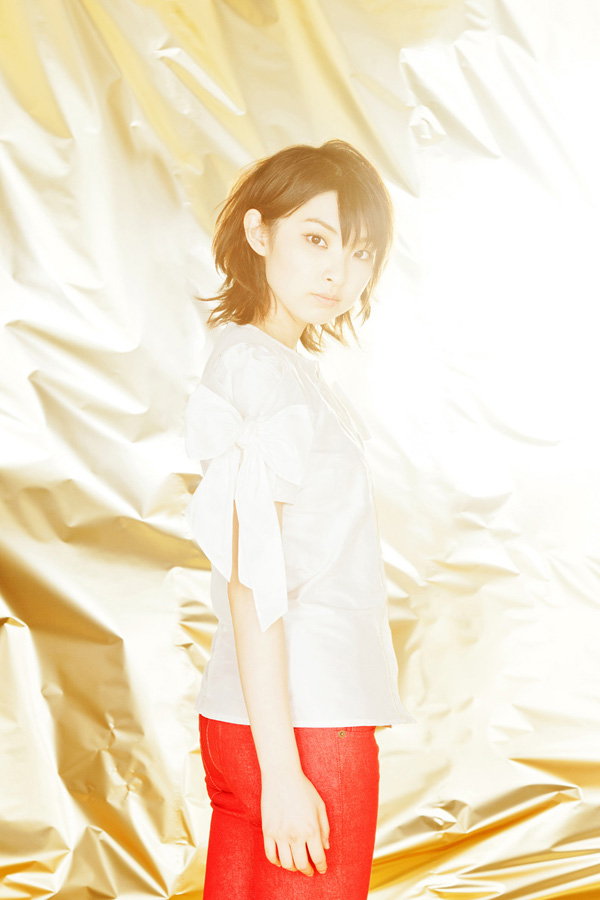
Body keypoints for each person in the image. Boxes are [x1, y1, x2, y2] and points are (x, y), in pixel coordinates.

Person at [183, 139, 416, 900]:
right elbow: (254, 582)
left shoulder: (261, 362)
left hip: (246, 714)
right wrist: (284, 774)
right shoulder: (263, 372)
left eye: (359, 252)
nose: (337, 273)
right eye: (316, 240)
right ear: (258, 232)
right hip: (307, 724)